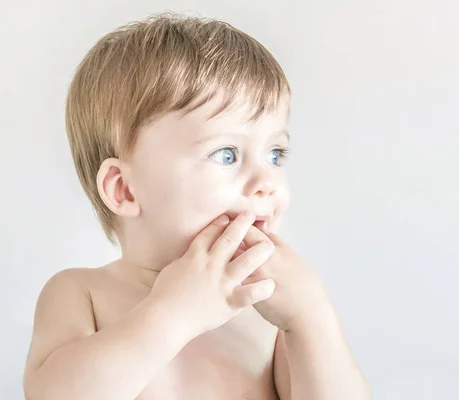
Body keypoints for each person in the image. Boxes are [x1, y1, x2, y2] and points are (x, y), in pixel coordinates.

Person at [23, 12, 371, 400]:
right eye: (226, 154)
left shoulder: (266, 308)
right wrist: (174, 313)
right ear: (124, 190)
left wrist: (311, 318)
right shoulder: (81, 294)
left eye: (275, 154)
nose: (267, 183)